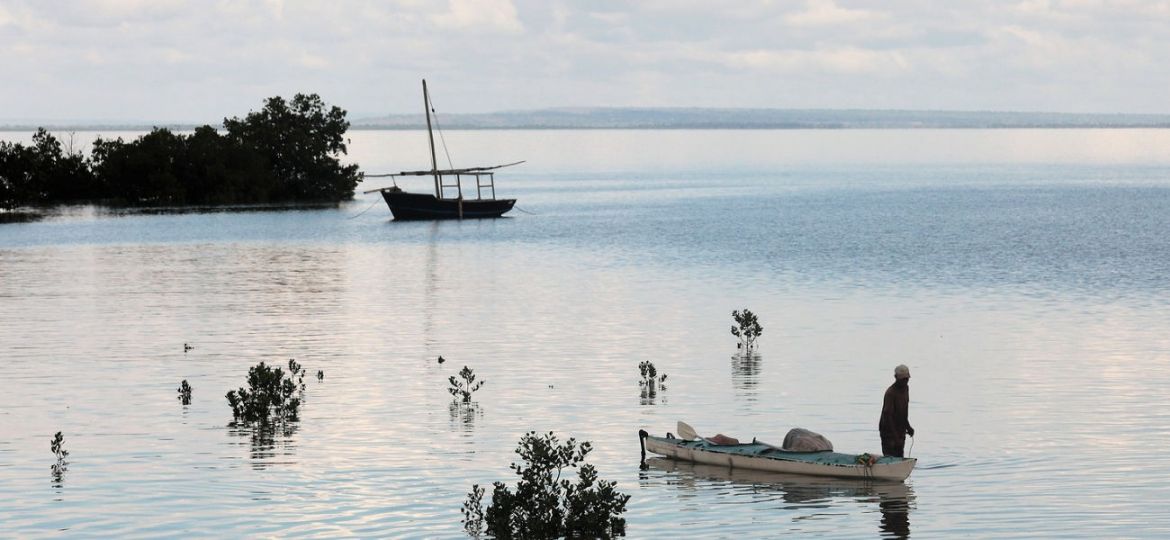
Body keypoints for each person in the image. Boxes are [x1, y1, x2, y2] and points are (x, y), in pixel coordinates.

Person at [879, 364, 915, 457]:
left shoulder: (906, 389)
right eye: (902, 379)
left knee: (899, 455)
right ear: (896, 378)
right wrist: (895, 437)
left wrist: (908, 427)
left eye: (906, 379)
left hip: (900, 429)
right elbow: (888, 416)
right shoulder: (890, 393)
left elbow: (904, 411)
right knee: (890, 456)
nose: (905, 382)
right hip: (888, 431)